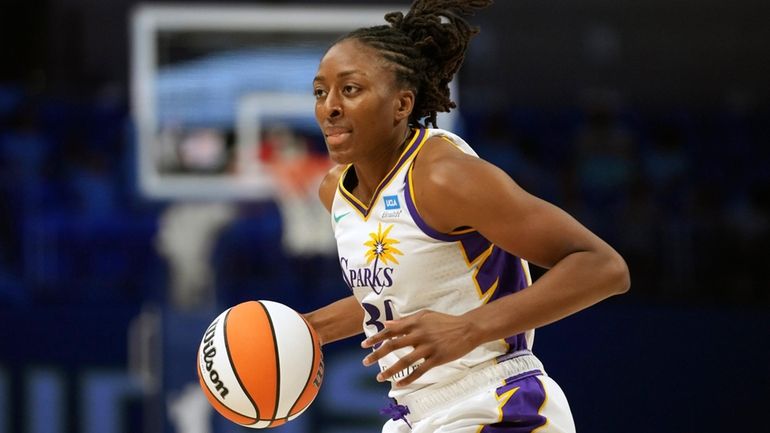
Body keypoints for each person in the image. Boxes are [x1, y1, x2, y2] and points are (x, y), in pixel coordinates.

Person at [304, 1, 630, 432]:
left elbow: (603, 267)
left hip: (497, 402)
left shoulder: (444, 177)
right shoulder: (337, 193)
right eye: (320, 92)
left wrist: (469, 329)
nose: (329, 107)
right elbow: (404, 292)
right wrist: (308, 330)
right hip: (415, 414)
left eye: (350, 90)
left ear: (402, 104)